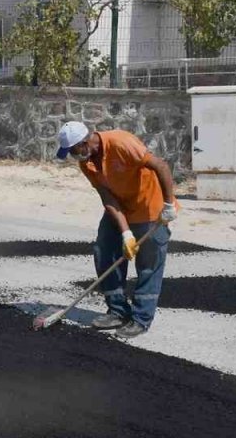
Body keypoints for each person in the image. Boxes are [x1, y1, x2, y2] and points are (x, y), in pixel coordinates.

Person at [56, 121, 179, 339]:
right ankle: (118, 311)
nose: (73, 157)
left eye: (73, 151)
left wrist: (168, 204)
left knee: (148, 264)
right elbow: (107, 197)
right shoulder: (87, 163)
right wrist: (125, 233)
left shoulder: (121, 142)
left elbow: (160, 166)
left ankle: (141, 319)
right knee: (104, 251)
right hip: (119, 208)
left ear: (84, 143)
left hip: (150, 207)